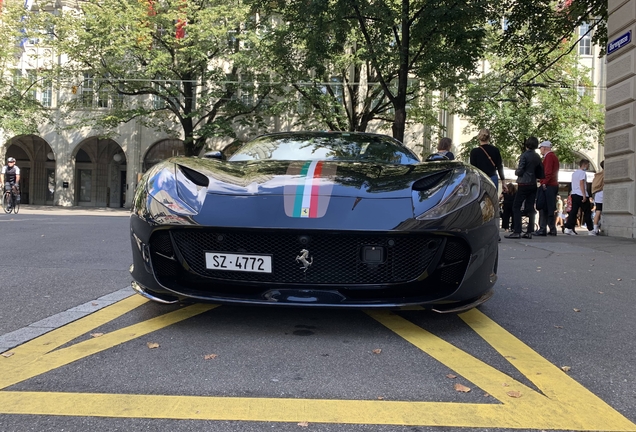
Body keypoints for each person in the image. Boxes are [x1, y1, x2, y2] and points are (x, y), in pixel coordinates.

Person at [505, 137, 543, 239]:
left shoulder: (524, 155)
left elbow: (520, 170)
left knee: (516, 206)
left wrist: (516, 172)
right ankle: (529, 231)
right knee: (530, 207)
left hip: (523, 183)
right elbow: (540, 172)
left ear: (527, 145)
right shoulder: (537, 156)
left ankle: (517, 231)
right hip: (533, 183)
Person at [469, 128, 507, 193]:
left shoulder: (474, 152)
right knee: (492, 201)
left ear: (479, 137)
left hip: (480, 179)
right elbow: (500, 167)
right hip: (492, 178)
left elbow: (473, 169)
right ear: (489, 137)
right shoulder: (495, 150)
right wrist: (503, 182)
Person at [534, 141, 560, 236]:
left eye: (540, 148)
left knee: (543, 207)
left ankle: (543, 228)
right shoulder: (553, 157)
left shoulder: (549, 157)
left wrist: (544, 182)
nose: (540, 150)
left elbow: (548, 171)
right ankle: (551, 229)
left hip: (548, 185)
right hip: (552, 185)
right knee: (549, 207)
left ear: (544, 148)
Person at [564, 159, 595, 235]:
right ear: (584, 165)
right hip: (581, 194)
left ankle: (568, 228)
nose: (588, 166)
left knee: (573, 212)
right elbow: (581, 184)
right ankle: (590, 230)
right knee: (587, 212)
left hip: (574, 194)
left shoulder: (574, 173)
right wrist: (584, 195)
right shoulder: (582, 173)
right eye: (588, 165)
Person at [591, 160, 604, 234]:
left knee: (598, 211)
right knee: (600, 211)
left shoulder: (597, 175)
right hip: (602, 193)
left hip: (597, 194)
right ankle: (597, 227)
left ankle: (595, 228)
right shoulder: (605, 174)